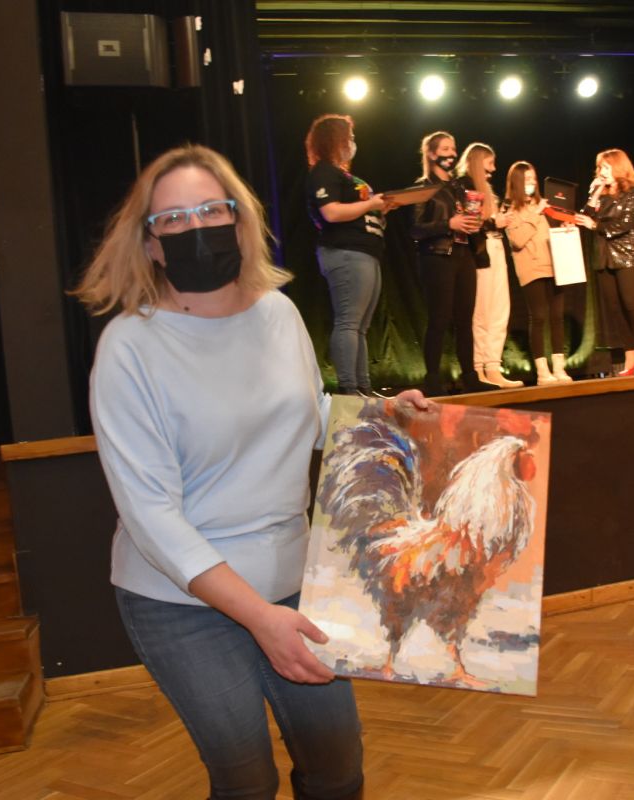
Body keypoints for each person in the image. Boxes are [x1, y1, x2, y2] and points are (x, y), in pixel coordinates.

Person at [73, 144, 428, 800]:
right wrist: (260, 618)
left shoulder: (278, 313)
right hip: (181, 601)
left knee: (338, 768)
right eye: (173, 219)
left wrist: (383, 415)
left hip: (294, 582)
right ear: (150, 244)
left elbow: (309, 416)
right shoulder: (129, 347)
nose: (195, 228)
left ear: (240, 219)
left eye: (211, 210)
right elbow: (151, 516)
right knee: (246, 779)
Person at [304, 114, 392, 395]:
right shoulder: (323, 172)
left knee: (361, 326)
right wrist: (370, 205)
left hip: (367, 252)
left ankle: (363, 386)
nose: (353, 143)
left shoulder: (344, 175)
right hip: (345, 252)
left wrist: (381, 207)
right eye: (349, 137)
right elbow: (331, 212)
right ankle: (349, 388)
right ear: (334, 140)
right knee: (349, 321)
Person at [409, 130, 488, 396]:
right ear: (431, 154)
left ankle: (470, 376)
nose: (451, 154)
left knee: (465, 319)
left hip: (464, 254)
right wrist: (448, 224)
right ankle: (432, 379)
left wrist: (474, 224)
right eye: (445, 149)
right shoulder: (423, 187)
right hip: (437, 256)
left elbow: (469, 217)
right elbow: (415, 228)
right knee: (439, 319)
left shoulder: (460, 186)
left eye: (453, 149)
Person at [577, 148, 634, 375]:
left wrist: (595, 226)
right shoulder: (600, 194)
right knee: (613, 308)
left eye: (606, 167)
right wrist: (594, 193)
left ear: (618, 167)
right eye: (600, 168)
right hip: (602, 255)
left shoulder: (633, 192)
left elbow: (625, 223)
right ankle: (630, 353)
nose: (602, 172)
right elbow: (584, 217)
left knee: (631, 302)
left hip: (626, 252)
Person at [456, 142, 523, 389]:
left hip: (495, 248)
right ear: (477, 161)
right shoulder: (464, 185)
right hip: (479, 253)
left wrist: (500, 221)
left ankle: (493, 366)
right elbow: (472, 223)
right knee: (481, 311)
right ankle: (477, 368)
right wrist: (495, 222)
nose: (493, 169)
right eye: (489, 163)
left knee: (499, 309)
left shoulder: (486, 189)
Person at [503, 160, 573, 385]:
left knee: (557, 317)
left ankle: (559, 368)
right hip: (532, 269)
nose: (532, 183)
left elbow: (554, 229)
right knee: (539, 317)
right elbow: (518, 240)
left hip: (555, 266)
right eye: (527, 179)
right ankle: (543, 371)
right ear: (517, 182)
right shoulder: (510, 210)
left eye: (534, 179)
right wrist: (535, 213)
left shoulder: (545, 207)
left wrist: (565, 228)